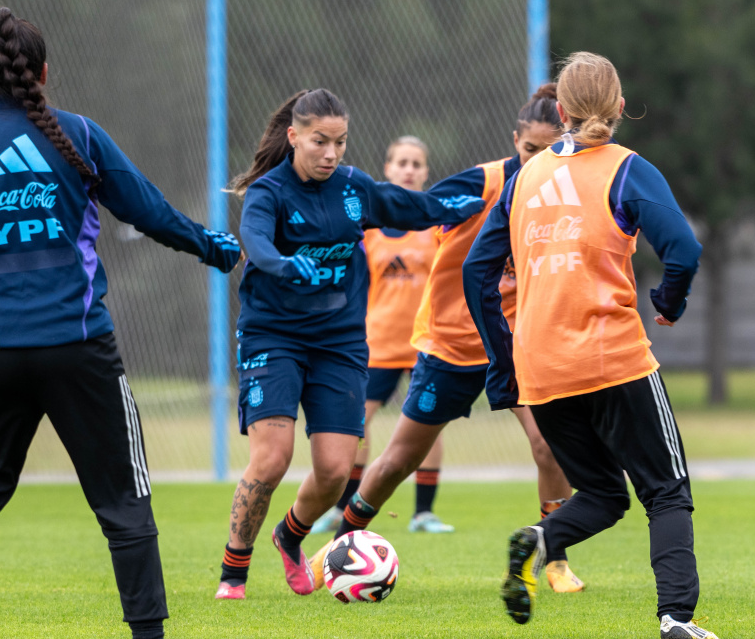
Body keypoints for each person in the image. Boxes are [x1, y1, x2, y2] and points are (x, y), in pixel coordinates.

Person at [0, 8, 240, 639]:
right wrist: (207, 245)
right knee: (124, 501)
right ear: (42, 74)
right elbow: (147, 211)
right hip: (78, 349)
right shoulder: (78, 136)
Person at [463, 52, 718, 639]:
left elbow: (479, 271)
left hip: (541, 368)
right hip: (612, 357)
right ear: (621, 107)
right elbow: (683, 249)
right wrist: (669, 304)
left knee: (603, 493)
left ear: (560, 111)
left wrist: (505, 364)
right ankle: (677, 617)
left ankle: (538, 540)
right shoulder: (627, 169)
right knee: (665, 490)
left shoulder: (524, 177)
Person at [310, 85, 584, 595]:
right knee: (399, 458)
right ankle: (344, 541)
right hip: (452, 344)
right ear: (515, 141)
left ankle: (555, 560)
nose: (536, 164)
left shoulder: (562, 192)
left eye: (549, 153)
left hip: (518, 343)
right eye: (529, 152)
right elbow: (418, 209)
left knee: (548, 446)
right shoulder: (482, 184)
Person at [214, 89, 483, 600]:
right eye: (320, 141)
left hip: (338, 341)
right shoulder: (269, 193)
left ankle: (289, 536)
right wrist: (285, 264)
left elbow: (413, 206)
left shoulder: (354, 188)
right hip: (273, 334)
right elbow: (256, 241)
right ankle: (234, 570)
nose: (331, 153)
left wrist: (474, 201)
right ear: (294, 137)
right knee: (271, 459)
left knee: (336, 470)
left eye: (339, 142)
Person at [311, 135, 453, 536]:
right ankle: (342, 507)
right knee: (357, 424)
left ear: (426, 172)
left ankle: (424, 512)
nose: (408, 169)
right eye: (401, 162)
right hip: (378, 345)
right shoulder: (368, 229)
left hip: (427, 343)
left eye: (416, 163)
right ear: (388, 169)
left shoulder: (436, 225)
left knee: (429, 424)